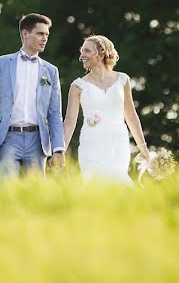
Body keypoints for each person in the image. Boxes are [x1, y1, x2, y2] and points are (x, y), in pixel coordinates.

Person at [0, 14, 66, 179]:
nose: (45, 38)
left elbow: (55, 113)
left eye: (47, 35)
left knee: (36, 196)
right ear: (25, 34)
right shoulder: (1, 63)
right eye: (40, 34)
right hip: (7, 138)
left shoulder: (51, 71)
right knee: (8, 192)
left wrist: (58, 149)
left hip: (38, 140)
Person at [62, 35, 148, 184]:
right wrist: (60, 151)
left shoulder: (123, 80)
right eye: (82, 51)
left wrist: (143, 148)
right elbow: (69, 122)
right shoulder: (77, 86)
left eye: (87, 51)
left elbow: (131, 117)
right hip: (91, 145)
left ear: (101, 54)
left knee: (119, 182)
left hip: (118, 143)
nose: (82, 55)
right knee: (94, 185)